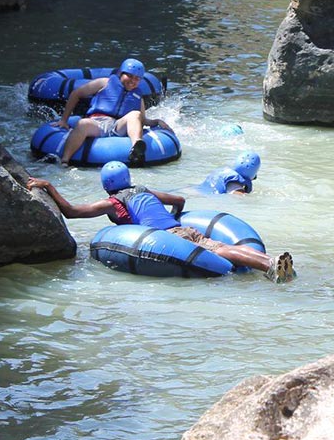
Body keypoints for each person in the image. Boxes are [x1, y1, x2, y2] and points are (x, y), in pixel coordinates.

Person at [27, 162, 295, 282]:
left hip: (170, 237)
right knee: (215, 245)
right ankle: (269, 259)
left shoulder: (113, 203)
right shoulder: (144, 190)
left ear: (107, 186)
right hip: (182, 227)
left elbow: (72, 212)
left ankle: (269, 265)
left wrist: (48, 185)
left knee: (221, 252)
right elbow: (178, 200)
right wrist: (173, 217)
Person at [54, 58, 173, 167]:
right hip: (98, 123)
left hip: (119, 126)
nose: (132, 81)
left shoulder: (138, 95)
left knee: (135, 114)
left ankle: (137, 147)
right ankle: (65, 161)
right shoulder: (104, 83)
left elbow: (143, 119)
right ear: (121, 74)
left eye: (137, 79)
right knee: (83, 123)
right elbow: (76, 94)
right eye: (129, 76)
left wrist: (157, 121)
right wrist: (64, 120)